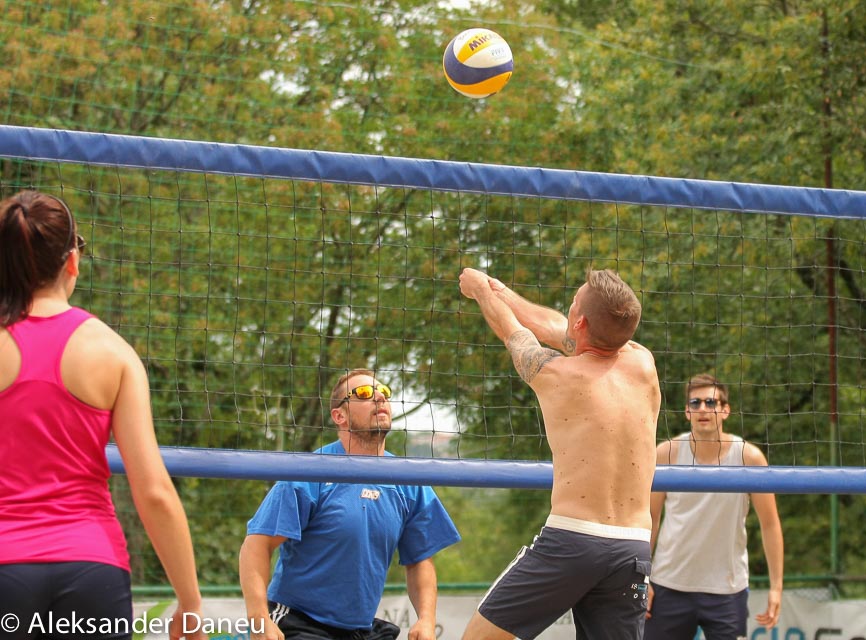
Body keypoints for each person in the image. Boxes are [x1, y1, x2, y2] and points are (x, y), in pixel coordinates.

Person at [0, 191, 205, 640]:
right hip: (92, 568)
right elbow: (154, 492)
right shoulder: (113, 351)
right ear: (72, 261)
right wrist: (190, 605)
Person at [458, 268, 661, 640]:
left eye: (573, 303)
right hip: (633, 548)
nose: (568, 308)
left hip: (573, 542)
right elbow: (556, 329)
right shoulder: (643, 364)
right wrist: (500, 289)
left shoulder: (556, 374)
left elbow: (514, 333)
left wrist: (480, 293)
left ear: (580, 322)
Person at [239, 368, 461, 640]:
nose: (379, 397)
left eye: (384, 391)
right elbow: (256, 545)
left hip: (360, 629)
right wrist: (259, 618)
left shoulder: (407, 479)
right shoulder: (311, 472)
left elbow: (419, 560)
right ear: (339, 416)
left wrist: (426, 620)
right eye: (364, 393)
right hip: (299, 621)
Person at [644, 373, 784, 640]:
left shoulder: (749, 457)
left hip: (727, 590)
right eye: (695, 403)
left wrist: (776, 587)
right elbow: (650, 518)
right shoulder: (667, 453)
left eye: (711, 402)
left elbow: (770, 524)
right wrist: (643, 576)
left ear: (725, 410)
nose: (703, 409)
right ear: (687, 412)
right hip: (668, 584)